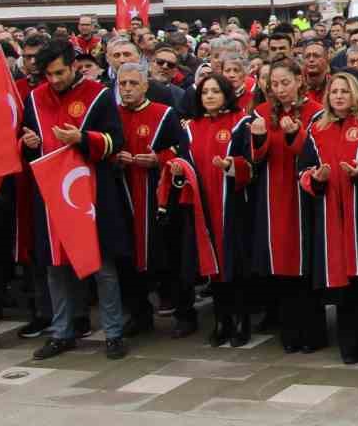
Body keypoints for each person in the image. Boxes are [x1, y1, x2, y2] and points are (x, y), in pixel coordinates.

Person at [23, 40, 132, 361]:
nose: (54, 80)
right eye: (48, 74)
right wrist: (27, 140)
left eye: (59, 73)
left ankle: (113, 332)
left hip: (90, 194)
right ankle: (62, 332)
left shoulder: (97, 95)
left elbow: (115, 141)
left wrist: (82, 138)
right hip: (50, 193)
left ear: (74, 66)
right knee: (55, 267)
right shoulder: (35, 98)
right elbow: (27, 138)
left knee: (101, 266)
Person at [299, 72, 358, 366]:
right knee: (342, 286)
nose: (339, 96)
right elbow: (302, 171)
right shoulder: (316, 129)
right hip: (330, 218)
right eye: (334, 91)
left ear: (355, 94)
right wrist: (316, 177)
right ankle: (348, 347)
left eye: (344, 91)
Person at [249, 59, 326, 353]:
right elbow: (255, 158)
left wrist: (295, 133)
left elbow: (315, 153)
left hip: (305, 194)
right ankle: (289, 331)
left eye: (285, 82)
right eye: (274, 84)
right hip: (274, 195)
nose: (280, 90)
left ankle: (313, 332)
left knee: (307, 263)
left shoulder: (316, 112)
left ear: (299, 80)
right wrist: (258, 138)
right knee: (281, 263)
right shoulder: (260, 113)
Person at [112, 60, 188, 338]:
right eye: (123, 84)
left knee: (168, 256)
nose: (128, 89)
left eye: (133, 83)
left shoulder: (165, 114)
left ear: (146, 85)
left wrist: (159, 159)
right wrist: (114, 157)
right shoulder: (113, 113)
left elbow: (182, 150)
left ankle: (184, 313)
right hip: (124, 195)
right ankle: (138, 314)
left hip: (158, 195)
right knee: (127, 260)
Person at [181, 72, 256, 347]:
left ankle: (241, 321)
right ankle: (221, 321)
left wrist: (231, 166)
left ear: (226, 94)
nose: (209, 96)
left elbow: (252, 163)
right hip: (203, 206)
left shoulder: (241, 123)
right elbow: (184, 161)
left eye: (215, 91)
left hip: (232, 205)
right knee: (212, 267)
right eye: (204, 92)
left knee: (234, 265)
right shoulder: (191, 127)